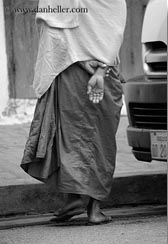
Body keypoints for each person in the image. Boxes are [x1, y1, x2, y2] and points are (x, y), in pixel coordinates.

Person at [21, 0, 127, 225]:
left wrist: (92, 66)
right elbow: (113, 29)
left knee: (77, 138)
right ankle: (84, 204)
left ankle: (84, 202)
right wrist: (100, 68)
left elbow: (57, 32)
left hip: (74, 67)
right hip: (91, 71)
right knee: (90, 138)